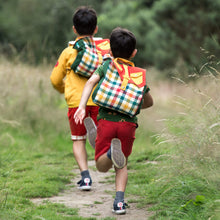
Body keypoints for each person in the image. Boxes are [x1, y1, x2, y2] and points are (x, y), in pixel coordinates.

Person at [74, 27, 153, 214]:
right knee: (122, 164)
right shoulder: (137, 76)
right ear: (134, 53)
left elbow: (90, 82)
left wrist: (82, 106)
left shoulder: (106, 66)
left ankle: (109, 152)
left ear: (109, 50)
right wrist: (129, 104)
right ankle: (119, 203)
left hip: (106, 121)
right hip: (127, 124)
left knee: (102, 167)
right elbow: (148, 102)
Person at [50, 6, 109, 191]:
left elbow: (54, 79)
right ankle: (106, 151)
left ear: (74, 29)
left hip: (77, 103)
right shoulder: (102, 54)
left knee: (78, 139)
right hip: (98, 102)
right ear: (96, 29)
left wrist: (63, 89)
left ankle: (85, 178)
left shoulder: (68, 53)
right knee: (103, 136)